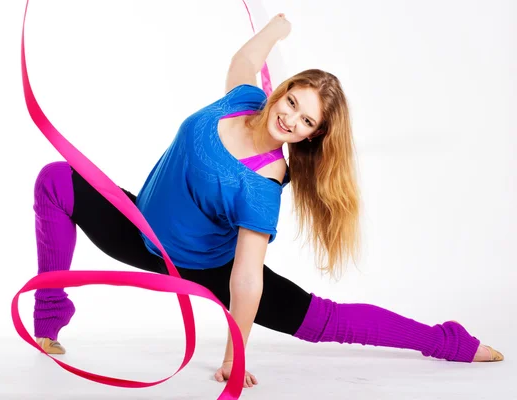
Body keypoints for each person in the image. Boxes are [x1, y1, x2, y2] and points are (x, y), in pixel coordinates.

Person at [31, 13, 503, 389]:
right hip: (138, 228)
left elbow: (248, 276)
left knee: (327, 322)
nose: (293, 120)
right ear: (282, 90)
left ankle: (447, 342)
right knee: (56, 181)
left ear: (312, 136)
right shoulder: (242, 99)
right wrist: (277, 28)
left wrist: (235, 354)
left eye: (307, 123)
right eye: (294, 103)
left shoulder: (263, 184)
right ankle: (52, 314)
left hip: (204, 267)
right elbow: (245, 56)